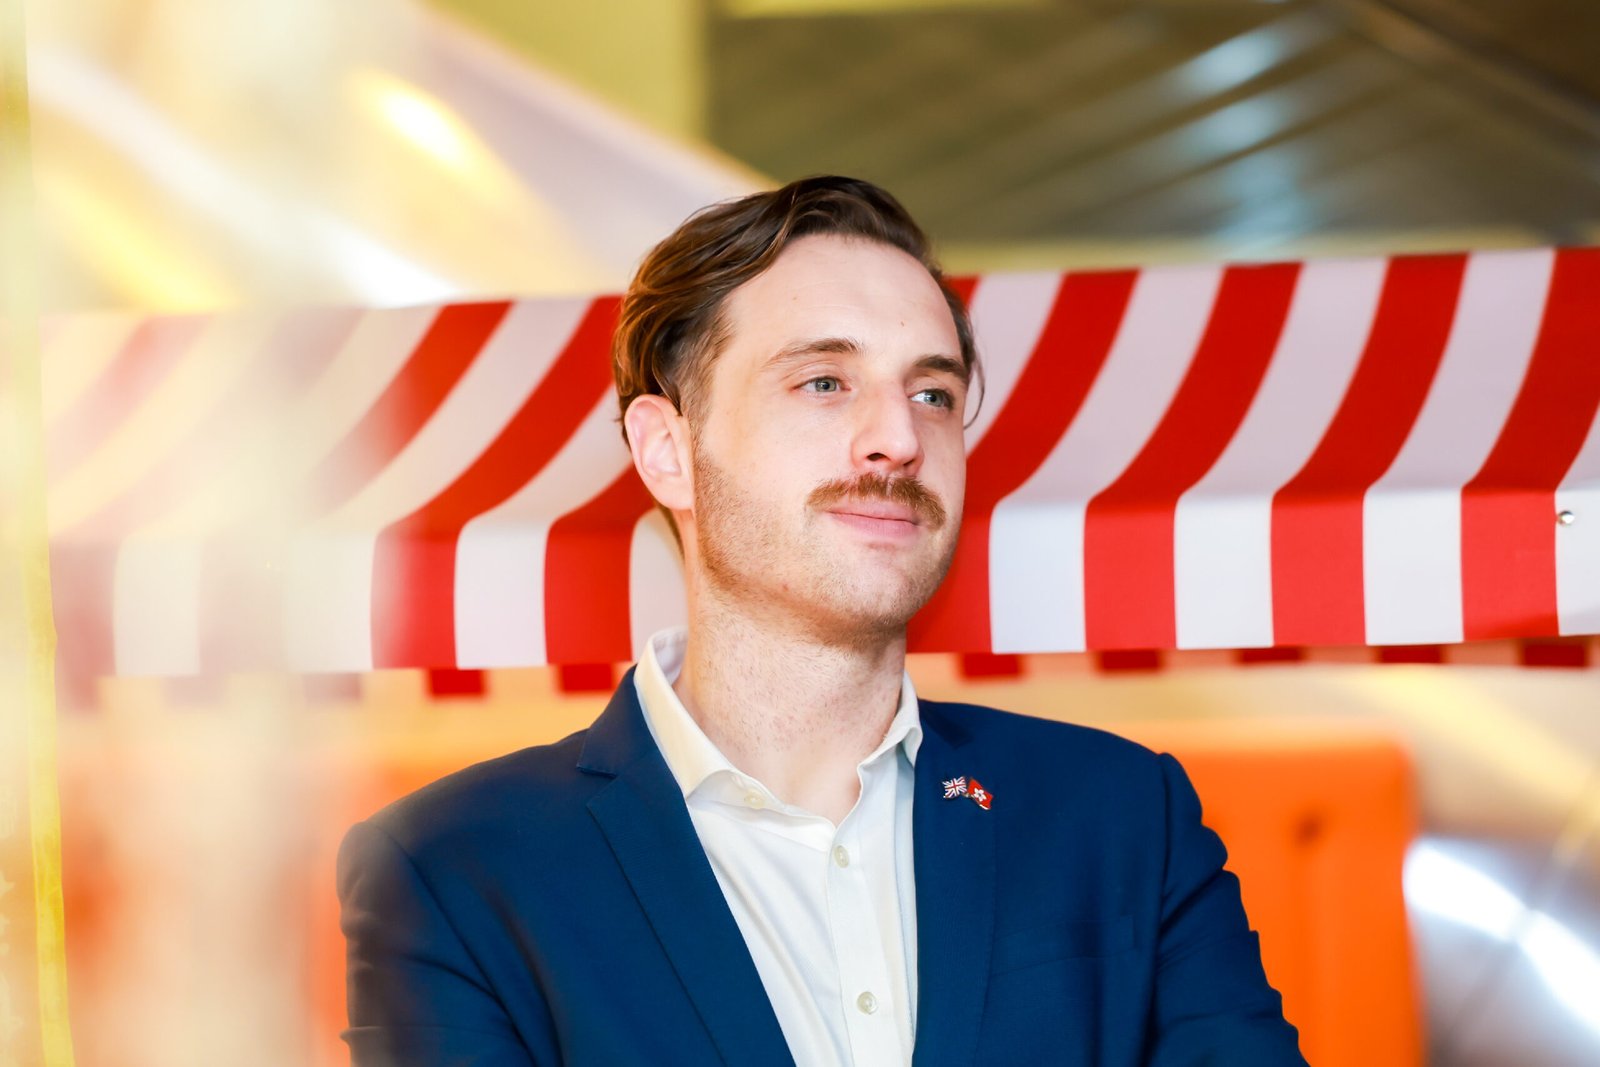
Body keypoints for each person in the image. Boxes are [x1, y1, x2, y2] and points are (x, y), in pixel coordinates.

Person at [337, 175, 1307, 1066]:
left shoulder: (1123, 815)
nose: (899, 437)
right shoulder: (454, 869)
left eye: (933, 393)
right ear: (667, 449)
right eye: (824, 381)